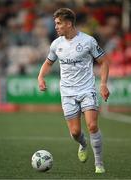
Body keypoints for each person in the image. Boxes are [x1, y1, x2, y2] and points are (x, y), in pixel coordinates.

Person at [38, 8, 110, 173]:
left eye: (58, 23)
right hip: (68, 92)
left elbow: (104, 62)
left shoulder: (88, 41)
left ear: (69, 23)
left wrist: (103, 84)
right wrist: (40, 77)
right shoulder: (57, 44)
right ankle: (83, 144)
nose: (55, 27)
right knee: (76, 132)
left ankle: (99, 163)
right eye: (55, 23)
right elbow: (48, 63)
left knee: (92, 126)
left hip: (87, 89)